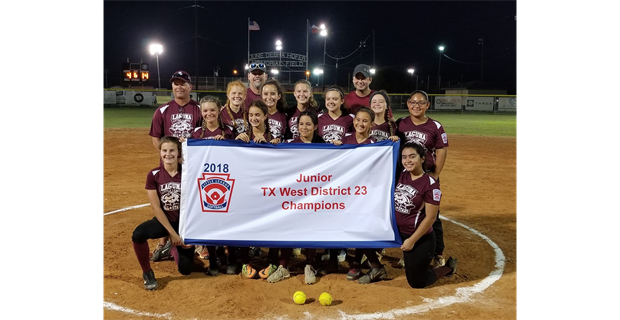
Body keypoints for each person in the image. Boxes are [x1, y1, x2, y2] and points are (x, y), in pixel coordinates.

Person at [359, 142, 456, 286]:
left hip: (417, 236)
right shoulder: (400, 174)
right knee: (360, 232)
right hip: (394, 230)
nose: (407, 161)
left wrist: (411, 241)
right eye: (404, 157)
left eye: (412, 156)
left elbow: (430, 218)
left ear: (422, 158)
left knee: (417, 282)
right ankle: (377, 267)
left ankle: (448, 268)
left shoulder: (430, 184)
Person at [148, 70, 202, 262]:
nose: (179, 86)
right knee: (167, 200)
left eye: (183, 83)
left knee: (193, 200)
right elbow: (156, 138)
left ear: (190, 87)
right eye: (175, 83)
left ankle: (197, 240)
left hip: (192, 166)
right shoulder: (162, 110)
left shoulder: (198, 109)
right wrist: (170, 157)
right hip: (170, 164)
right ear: (172, 87)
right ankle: (164, 242)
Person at [131, 136, 197, 290]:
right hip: (165, 221)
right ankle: (147, 272)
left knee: (186, 269)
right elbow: (156, 208)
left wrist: (192, 235)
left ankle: (170, 248)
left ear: (179, 153)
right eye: (165, 150)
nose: (168, 154)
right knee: (138, 234)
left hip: (184, 224)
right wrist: (172, 234)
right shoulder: (153, 175)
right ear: (160, 152)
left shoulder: (188, 173)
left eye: (172, 150)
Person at [396, 90, 449, 268]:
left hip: (426, 176)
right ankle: (408, 252)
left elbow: (441, 150)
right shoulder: (401, 124)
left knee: (433, 216)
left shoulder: (435, 126)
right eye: (413, 102)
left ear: (427, 105)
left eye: (420, 103)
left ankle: (437, 253)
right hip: (406, 176)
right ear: (407, 104)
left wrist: (435, 175)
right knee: (407, 211)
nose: (416, 106)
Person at [186, 95, 235, 276]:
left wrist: (229, 142)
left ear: (219, 110)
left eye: (212, 110)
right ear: (201, 112)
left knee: (227, 222)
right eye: (205, 110)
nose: (209, 114)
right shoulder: (196, 134)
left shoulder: (229, 131)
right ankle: (213, 262)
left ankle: (231, 261)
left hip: (228, 182)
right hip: (206, 183)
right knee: (210, 224)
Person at [261, 79, 288, 144]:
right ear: (261, 96)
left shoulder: (285, 116)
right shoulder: (256, 115)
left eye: (272, 94)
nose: (269, 97)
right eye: (265, 94)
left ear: (279, 96)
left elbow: (287, 138)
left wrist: (280, 141)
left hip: (277, 152)